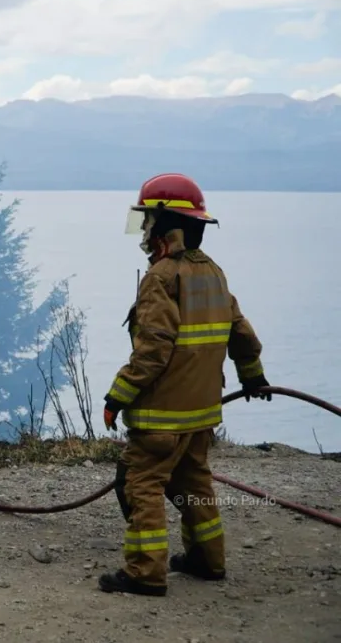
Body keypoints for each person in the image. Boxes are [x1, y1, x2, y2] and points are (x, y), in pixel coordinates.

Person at [97, 173, 271, 597]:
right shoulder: (214, 273)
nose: (145, 233)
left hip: (161, 417)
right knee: (195, 484)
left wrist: (116, 396)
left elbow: (152, 350)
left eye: (149, 223)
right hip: (202, 414)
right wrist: (253, 375)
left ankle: (144, 573)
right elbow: (241, 333)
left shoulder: (161, 278)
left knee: (143, 484)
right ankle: (207, 560)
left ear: (166, 228)